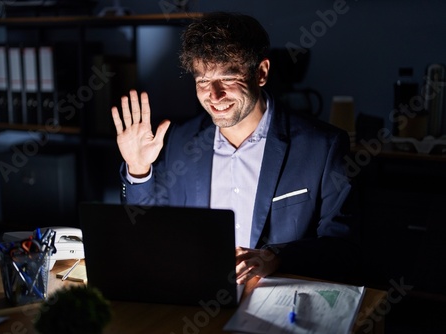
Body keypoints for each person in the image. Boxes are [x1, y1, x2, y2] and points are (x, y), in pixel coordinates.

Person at [111, 12, 360, 285]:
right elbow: (149, 230)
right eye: (203, 81)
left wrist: (277, 257)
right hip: (196, 297)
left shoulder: (322, 146)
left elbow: (343, 248)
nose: (214, 96)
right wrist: (138, 170)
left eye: (228, 78)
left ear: (261, 73)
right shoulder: (179, 141)